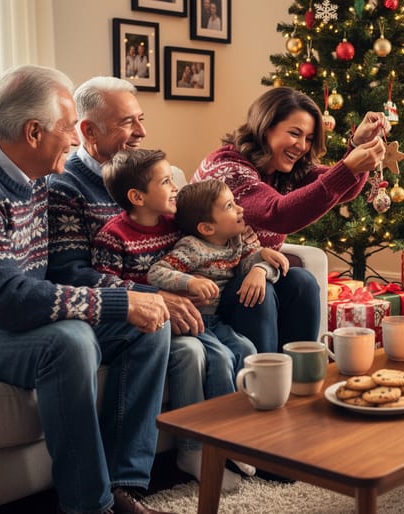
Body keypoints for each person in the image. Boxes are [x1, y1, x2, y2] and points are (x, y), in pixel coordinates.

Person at [0, 65, 174, 514]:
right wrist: (119, 300)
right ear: (34, 132)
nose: (76, 139)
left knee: (148, 323)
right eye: (69, 128)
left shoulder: (38, 179)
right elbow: (8, 301)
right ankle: (89, 507)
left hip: (3, 332)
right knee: (69, 340)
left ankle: (125, 485)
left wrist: (139, 298)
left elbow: (56, 273)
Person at [47, 77, 249, 490]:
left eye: (141, 119)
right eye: (127, 122)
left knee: (256, 317)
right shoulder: (64, 186)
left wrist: (257, 258)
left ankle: (248, 442)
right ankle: (143, 477)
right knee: (189, 349)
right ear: (88, 131)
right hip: (113, 309)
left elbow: (208, 227)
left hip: (183, 305)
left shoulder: (156, 187)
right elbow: (71, 273)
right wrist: (152, 296)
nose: (141, 131)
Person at [90, 149, 257, 489]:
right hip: (146, 326)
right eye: (166, 181)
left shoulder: (174, 223)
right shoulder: (113, 235)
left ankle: (240, 435)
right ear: (137, 197)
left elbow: (219, 240)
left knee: (243, 348)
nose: (175, 187)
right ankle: (195, 449)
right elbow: (105, 286)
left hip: (192, 318)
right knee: (194, 353)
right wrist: (169, 292)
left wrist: (259, 257)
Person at [193, 87, 389, 352]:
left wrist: (358, 145)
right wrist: (349, 166)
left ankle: (302, 371)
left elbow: (342, 189)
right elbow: (278, 214)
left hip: (255, 271)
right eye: (295, 133)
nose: (302, 146)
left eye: (309, 138)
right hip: (212, 291)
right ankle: (265, 375)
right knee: (260, 293)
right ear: (266, 128)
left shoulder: (280, 168)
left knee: (302, 282)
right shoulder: (228, 168)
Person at [147, 178, 288, 373]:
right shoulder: (193, 247)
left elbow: (253, 263)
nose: (240, 209)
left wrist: (261, 264)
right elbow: (156, 272)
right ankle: (224, 395)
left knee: (247, 349)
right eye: (230, 206)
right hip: (194, 320)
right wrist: (190, 282)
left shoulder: (236, 241)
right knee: (220, 358)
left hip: (216, 321)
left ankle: (250, 391)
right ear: (207, 228)